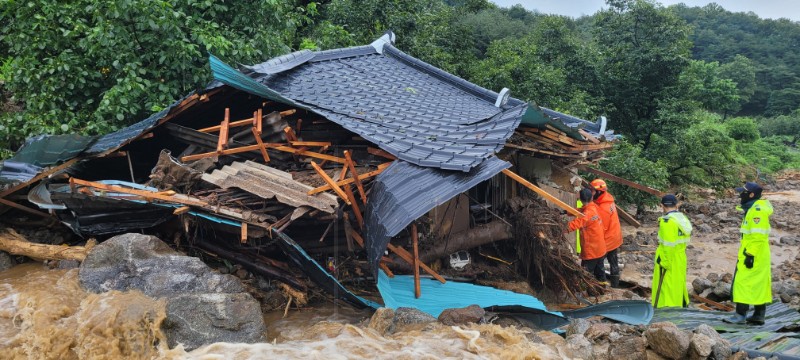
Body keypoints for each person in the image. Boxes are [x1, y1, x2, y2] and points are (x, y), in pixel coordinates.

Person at [725, 182, 773, 325]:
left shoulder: (756, 211)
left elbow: (757, 237)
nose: (741, 195)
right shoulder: (754, 209)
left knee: (742, 282)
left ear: (751, 195)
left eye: (743, 193)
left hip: (753, 254)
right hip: (759, 254)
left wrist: (750, 255)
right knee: (759, 283)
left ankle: (740, 315)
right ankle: (759, 315)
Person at [652, 194, 691, 308]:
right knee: (678, 284)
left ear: (662, 206)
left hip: (668, 259)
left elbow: (668, 246)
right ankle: (681, 305)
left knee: (665, 286)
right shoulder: (682, 219)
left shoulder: (668, 222)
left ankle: (665, 310)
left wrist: (664, 263)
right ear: (676, 205)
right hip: (680, 257)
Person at [565, 188, 607, 281]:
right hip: (600, 248)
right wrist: (566, 212)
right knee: (600, 272)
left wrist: (559, 228)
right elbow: (580, 210)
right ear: (591, 197)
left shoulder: (587, 214)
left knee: (586, 275)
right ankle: (602, 291)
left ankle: (589, 292)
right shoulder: (593, 207)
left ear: (580, 200)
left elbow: (574, 224)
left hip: (591, 250)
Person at [590, 179, 623, 287]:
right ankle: (615, 286)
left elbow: (600, 228)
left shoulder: (603, 208)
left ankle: (601, 286)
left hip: (608, 238)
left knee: (597, 264)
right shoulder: (606, 199)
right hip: (615, 236)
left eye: (592, 190)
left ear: (599, 192)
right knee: (613, 262)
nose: (590, 192)